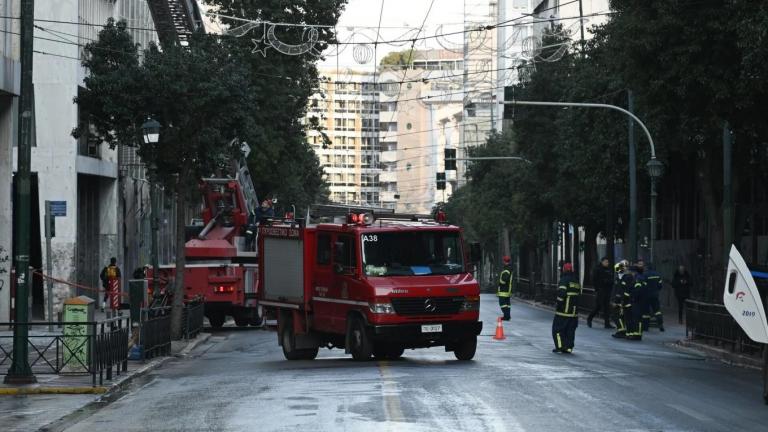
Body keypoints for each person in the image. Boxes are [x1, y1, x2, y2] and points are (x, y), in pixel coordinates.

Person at [552, 263, 581, 353]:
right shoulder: (576, 281)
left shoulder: (564, 280)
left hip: (563, 311)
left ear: (564, 270)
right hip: (574, 312)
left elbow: (561, 293)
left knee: (557, 330)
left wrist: (559, 304)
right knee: (570, 330)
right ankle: (568, 348)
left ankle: (560, 347)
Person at [588, 257, 615, 329]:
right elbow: (594, 279)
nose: (607, 263)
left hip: (607, 290)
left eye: (607, 262)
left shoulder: (609, 270)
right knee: (598, 306)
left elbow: (611, 279)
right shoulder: (598, 269)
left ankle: (607, 323)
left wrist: (610, 283)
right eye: (605, 262)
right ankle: (590, 318)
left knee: (607, 307)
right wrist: (597, 289)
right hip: (600, 290)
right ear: (602, 262)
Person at [612, 260, 633, 339]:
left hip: (624, 300)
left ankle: (622, 331)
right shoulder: (620, 277)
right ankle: (622, 330)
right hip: (621, 300)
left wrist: (620, 300)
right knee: (618, 316)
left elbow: (623, 290)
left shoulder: (626, 277)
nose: (618, 271)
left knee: (620, 316)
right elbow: (617, 290)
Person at [644, 263, 665, 331]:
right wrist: (656, 291)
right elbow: (660, 285)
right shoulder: (657, 274)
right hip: (655, 294)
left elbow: (643, 285)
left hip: (647, 295)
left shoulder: (645, 274)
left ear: (647, 267)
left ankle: (646, 326)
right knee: (657, 310)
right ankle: (660, 324)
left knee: (646, 311)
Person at [497, 256, 513, 320]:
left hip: (504, 289)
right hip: (507, 289)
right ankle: (508, 316)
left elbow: (504, 280)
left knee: (502, 303)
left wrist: (500, 282)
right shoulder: (509, 269)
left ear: (504, 261)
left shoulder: (506, 270)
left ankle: (506, 316)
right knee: (507, 303)